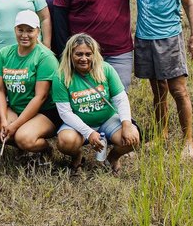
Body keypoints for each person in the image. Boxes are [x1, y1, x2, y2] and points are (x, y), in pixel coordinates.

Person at [134, 0, 193, 159]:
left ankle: (188, 142)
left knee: (178, 91)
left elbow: (189, 4)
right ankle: (161, 134)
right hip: (144, 38)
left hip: (169, 38)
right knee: (158, 91)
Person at [52, 33, 139, 174]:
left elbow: (121, 99)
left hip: (107, 119)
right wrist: (89, 132)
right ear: (70, 54)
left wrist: (127, 125)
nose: (84, 58)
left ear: (94, 54)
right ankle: (77, 156)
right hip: (78, 123)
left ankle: (112, 158)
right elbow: (65, 112)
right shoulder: (61, 76)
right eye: (78, 54)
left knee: (132, 138)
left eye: (88, 54)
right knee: (65, 142)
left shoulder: (106, 69)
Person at [0, 10, 61, 155]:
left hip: (44, 111)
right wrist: (3, 120)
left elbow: (41, 97)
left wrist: (15, 126)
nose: (24, 35)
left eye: (30, 30)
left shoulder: (45, 57)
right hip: (16, 107)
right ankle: (25, 146)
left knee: (23, 138)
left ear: (38, 31)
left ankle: (44, 149)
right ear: (15, 30)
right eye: (20, 30)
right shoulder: (4, 53)